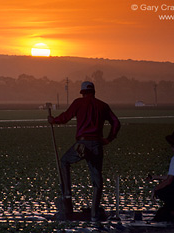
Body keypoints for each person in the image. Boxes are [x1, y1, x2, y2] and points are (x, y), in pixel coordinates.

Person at [48, 81, 121, 221]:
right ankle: (94, 214)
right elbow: (116, 123)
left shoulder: (78, 103)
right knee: (97, 179)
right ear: (94, 91)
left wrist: (53, 120)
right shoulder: (103, 106)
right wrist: (109, 139)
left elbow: (65, 117)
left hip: (82, 144)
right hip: (97, 145)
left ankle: (67, 196)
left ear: (82, 92)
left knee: (64, 161)